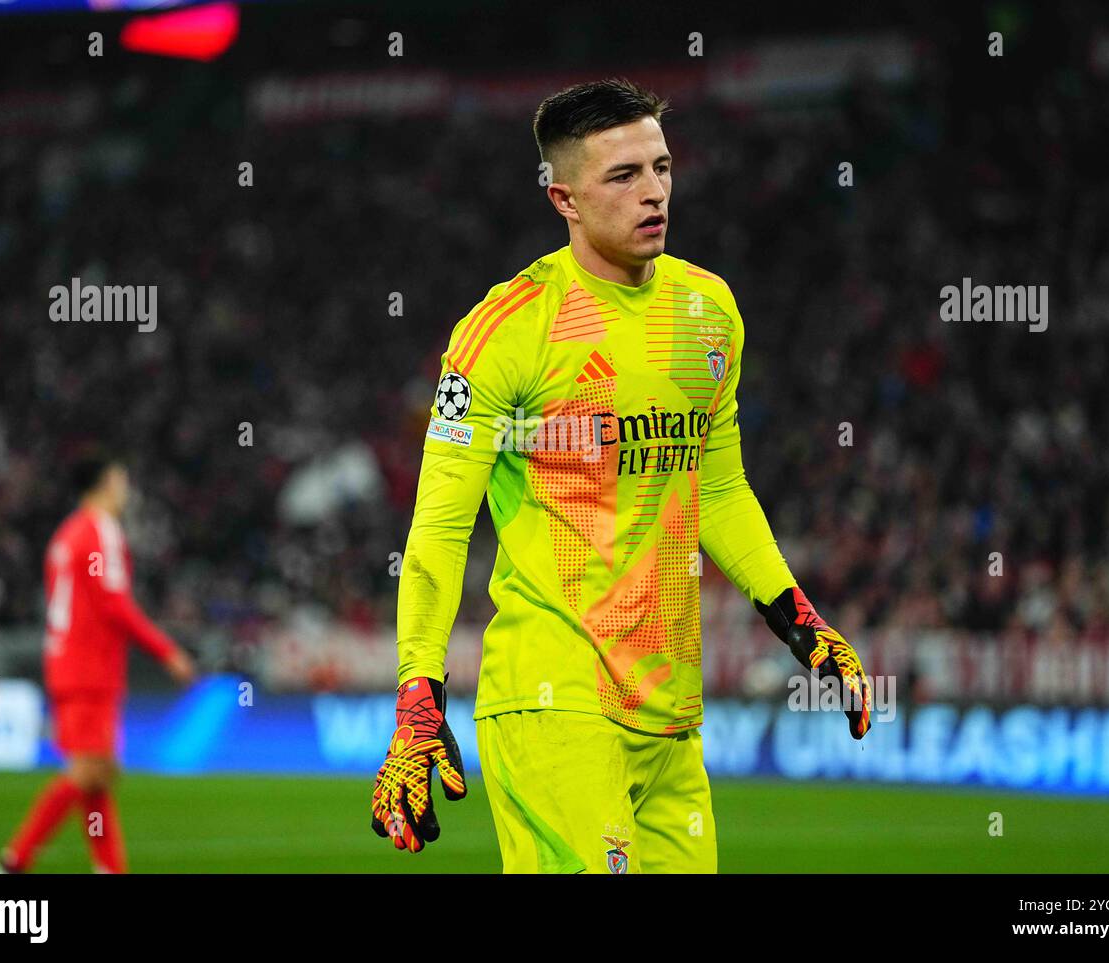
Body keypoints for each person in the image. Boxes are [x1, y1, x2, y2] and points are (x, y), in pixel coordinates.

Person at [370, 78, 870, 874]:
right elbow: (438, 526)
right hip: (550, 696)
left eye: (662, 168)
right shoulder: (508, 330)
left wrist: (798, 616)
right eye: (624, 176)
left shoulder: (708, 311)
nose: (655, 193)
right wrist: (417, 692)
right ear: (563, 197)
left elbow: (717, 487)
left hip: (670, 708)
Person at [0, 448, 196, 874]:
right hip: (91, 668)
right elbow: (113, 605)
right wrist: (167, 650)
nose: (126, 489)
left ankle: (109, 869)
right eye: (121, 480)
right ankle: (13, 861)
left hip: (66, 663)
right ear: (103, 483)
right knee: (88, 772)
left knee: (99, 772)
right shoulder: (101, 531)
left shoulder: (65, 536)